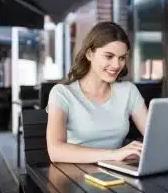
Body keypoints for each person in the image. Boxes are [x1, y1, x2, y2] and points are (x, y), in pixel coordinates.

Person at [46, 22, 148, 163]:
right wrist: (114, 154)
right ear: (89, 54)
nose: (116, 65)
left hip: (116, 173)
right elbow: (56, 151)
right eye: (109, 56)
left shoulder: (128, 91)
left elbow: (153, 137)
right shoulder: (62, 93)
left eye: (122, 58)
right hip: (74, 175)